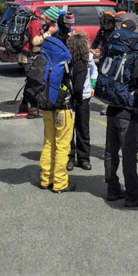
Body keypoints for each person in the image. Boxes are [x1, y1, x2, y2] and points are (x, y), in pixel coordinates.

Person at [104, 42, 138, 207]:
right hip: (128, 113)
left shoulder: (116, 59)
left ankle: (112, 189)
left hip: (112, 108)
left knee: (110, 151)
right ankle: (132, 195)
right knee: (129, 154)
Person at [38, 33, 89, 193]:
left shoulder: (58, 60)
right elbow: (79, 89)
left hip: (48, 105)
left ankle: (46, 179)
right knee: (62, 146)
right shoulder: (80, 64)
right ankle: (60, 183)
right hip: (65, 109)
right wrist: (78, 102)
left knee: (48, 143)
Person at [20, 6, 61, 118]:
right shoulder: (36, 22)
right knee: (35, 81)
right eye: (51, 21)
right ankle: (33, 109)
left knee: (30, 80)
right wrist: (49, 33)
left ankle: (23, 105)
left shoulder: (39, 21)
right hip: (28, 55)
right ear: (48, 17)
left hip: (31, 55)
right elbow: (35, 41)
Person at [69, 31, 96, 172]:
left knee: (81, 128)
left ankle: (83, 158)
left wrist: (92, 85)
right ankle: (70, 158)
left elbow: (94, 72)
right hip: (71, 97)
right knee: (73, 129)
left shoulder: (88, 58)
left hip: (83, 97)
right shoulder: (68, 59)